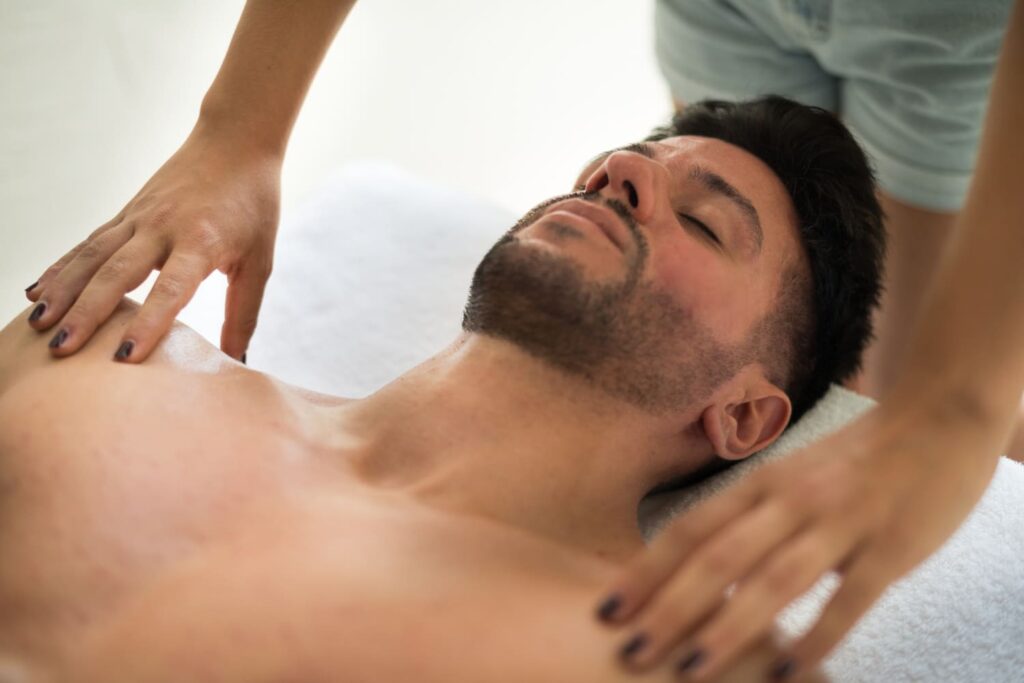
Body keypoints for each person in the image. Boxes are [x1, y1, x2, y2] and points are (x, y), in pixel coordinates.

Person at [15, 0, 1024, 678]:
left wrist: (961, 409)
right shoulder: (106, 353)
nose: (618, 173)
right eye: (618, 168)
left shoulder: (669, 654)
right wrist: (236, 130)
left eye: (707, 222)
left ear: (746, 413)